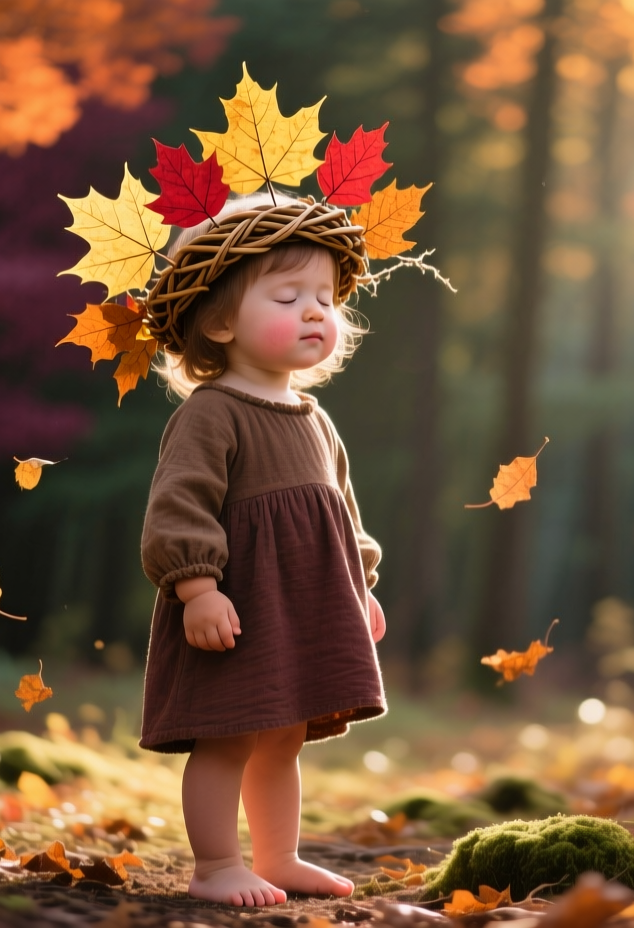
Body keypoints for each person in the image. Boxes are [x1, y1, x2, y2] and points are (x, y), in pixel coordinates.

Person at [137, 194, 386, 906]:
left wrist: (361, 585)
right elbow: (178, 507)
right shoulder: (211, 413)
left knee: (284, 737)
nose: (314, 312)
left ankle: (279, 856)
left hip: (302, 606)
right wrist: (197, 589)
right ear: (220, 322)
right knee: (228, 735)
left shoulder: (315, 419)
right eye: (287, 297)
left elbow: (342, 512)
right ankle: (216, 865)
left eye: (324, 299)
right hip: (237, 607)